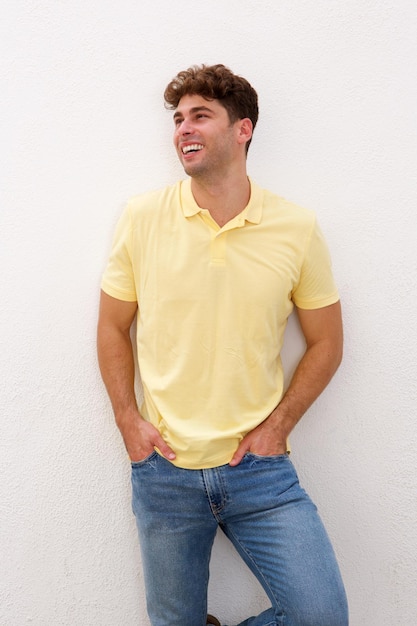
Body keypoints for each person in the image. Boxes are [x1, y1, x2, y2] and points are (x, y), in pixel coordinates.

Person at [97, 64, 349, 626]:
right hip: (165, 469)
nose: (184, 128)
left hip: (260, 471)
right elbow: (113, 327)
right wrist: (127, 422)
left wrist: (278, 427)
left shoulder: (296, 227)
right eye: (179, 118)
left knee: (321, 618)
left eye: (201, 116)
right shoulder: (141, 218)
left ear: (243, 129)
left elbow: (327, 341)